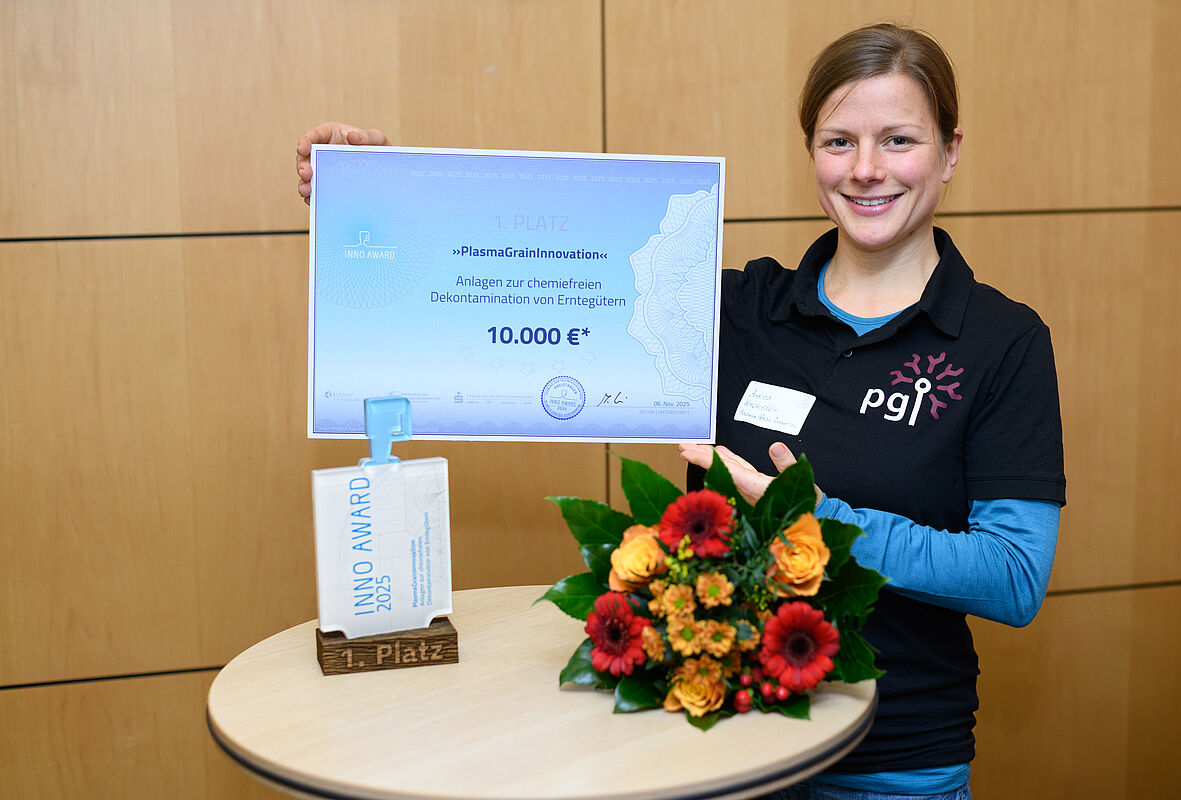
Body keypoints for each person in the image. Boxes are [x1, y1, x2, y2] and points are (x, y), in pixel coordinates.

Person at [296, 23, 1064, 800]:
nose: (866, 169)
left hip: (893, 764)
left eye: (898, 139)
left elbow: (1013, 577)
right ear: (811, 152)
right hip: (717, 747)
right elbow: (513, 290)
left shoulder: (1002, 342)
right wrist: (378, 196)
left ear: (950, 151)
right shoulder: (730, 311)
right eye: (839, 142)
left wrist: (817, 520)